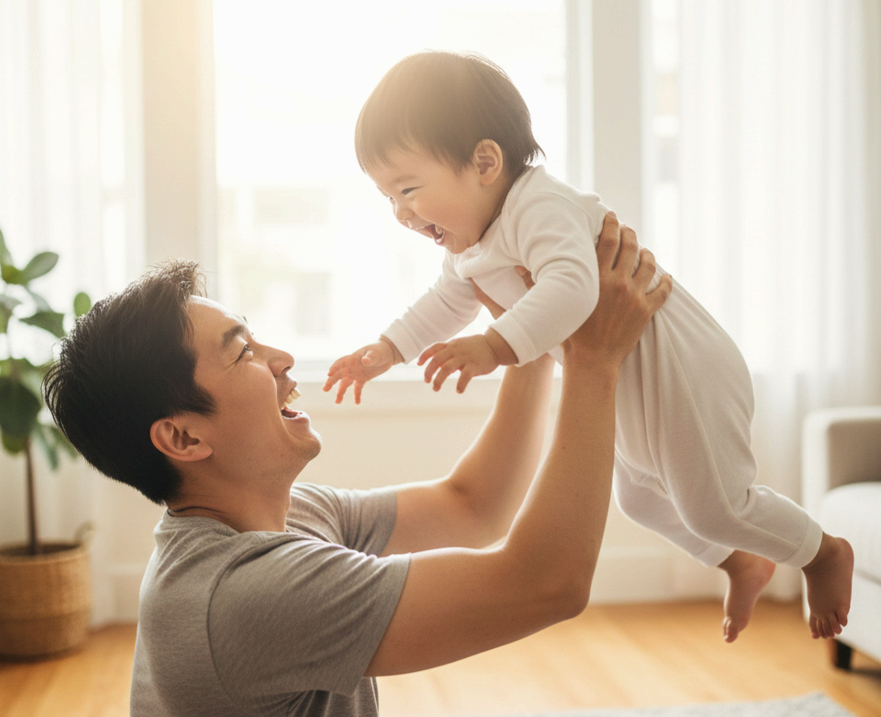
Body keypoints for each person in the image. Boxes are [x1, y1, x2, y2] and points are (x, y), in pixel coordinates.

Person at [323, 50, 853, 644]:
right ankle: (740, 561)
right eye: (388, 198)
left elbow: (574, 288)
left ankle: (822, 553)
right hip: (631, 386)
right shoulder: (470, 246)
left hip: (687, 373)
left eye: (409, 189)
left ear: (485, 162)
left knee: (716, 507)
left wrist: (494, 347)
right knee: (640, 500)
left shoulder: (537, 206)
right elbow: (444, 301)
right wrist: (388, 349)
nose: (401, 213)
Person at [42, 216, 669, 716]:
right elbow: (548, 584)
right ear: (182, 437)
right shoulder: (245, 596)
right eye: (243, 354)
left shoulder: (284, 516)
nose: (282, 358)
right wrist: (594, 361)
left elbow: (473, 506)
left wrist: (526, 337)